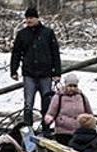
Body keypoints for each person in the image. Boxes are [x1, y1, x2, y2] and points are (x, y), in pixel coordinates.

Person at [10, 7, 61, 138]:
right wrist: (13, 70)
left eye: (31, 18)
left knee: (47, 102)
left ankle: (46, 128)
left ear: (37, 18)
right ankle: (28, 128)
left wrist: (57, 72)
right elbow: (16, 53)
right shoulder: (22, 34)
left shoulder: (48, 33)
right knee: (28, 104)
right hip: (29, 73)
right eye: (27, 18)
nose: (29, 20)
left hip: (46, 73)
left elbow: (55, 53)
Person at [43, 73, 92, 146]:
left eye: (74, 86)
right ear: (66, 85)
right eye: (70, 86)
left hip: (79, 132)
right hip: (62, 132)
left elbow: (89, 112)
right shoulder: (58, 97)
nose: (72, 88)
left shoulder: (82, 97)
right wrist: (49, 120)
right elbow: (51, 113)